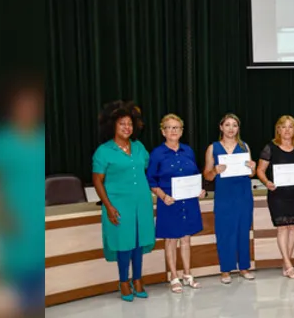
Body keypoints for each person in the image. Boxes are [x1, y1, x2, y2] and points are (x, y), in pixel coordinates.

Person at [0, 76, 45, 318]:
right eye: (23, 105)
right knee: (23, 276)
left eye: (33, 105)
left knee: (40, 275)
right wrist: (3, 216)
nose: (28, 110)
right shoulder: (1, 141)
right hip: (15, 218)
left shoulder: (41, 137)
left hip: (38, 216)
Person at [91, 101, 156, 301]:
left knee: (138, 242)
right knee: (124, 244)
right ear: (113, 127)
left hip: (141, 202)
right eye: (122, 124)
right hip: (119, 204)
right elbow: (97, 180)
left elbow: (147, 167)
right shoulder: (103, 151)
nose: (127, 128)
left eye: (130, 124)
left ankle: (138, 279)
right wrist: (108, 206)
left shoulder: (138, 147)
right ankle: (123, 281)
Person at [146, 114, 205, 293]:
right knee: (171, 240)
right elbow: (150, 180)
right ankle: (174, 276)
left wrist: (199, 190)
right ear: (163, 131)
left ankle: (187, 273)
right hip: (169, 202)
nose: (173, 131)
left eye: (176, 128)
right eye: (169, 128)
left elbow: (195, 175)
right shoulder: (157, 153)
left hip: (188, 201)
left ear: (181, 131)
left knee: (186, 238)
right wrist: (163, 196)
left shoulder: (188, 151)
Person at [203, 113, 257, 284]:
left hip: (243, 195)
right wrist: (215, 171)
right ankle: (225, 270)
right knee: (225, 232)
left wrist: (253, 168)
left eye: (234, 125)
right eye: (227, 125)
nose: (231, 128)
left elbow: (251, 174)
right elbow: (207, 175)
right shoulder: (213, 148)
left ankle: (244, 267)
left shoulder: (244, 146)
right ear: (221, 127)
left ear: (238, 128)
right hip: (224, 197)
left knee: (243, 231)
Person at [256, 115, 294, 280]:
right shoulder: (270, 147)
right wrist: (267, 182)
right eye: (283, 127)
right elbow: (260, 171)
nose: (287, 130)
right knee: (282, 228)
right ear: (278, 129)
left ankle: (287, 263)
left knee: (293, 228)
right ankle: (289, 266)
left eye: (290, 127)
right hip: (278, 194)